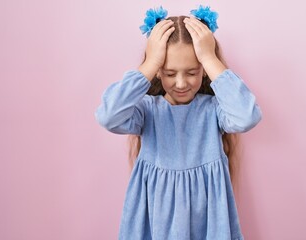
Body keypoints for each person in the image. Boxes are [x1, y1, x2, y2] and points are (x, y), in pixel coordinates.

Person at [95, 5, 262, 240]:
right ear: (159, 72)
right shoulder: (146, 111)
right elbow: (108, 115)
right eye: (170, 73)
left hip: (207, 224)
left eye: (192, 72)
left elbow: (246, 116)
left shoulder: (214, 111)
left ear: (204, 70)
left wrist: (208, 57)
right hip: (155, 224)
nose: (181, 83)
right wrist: (151, 61)